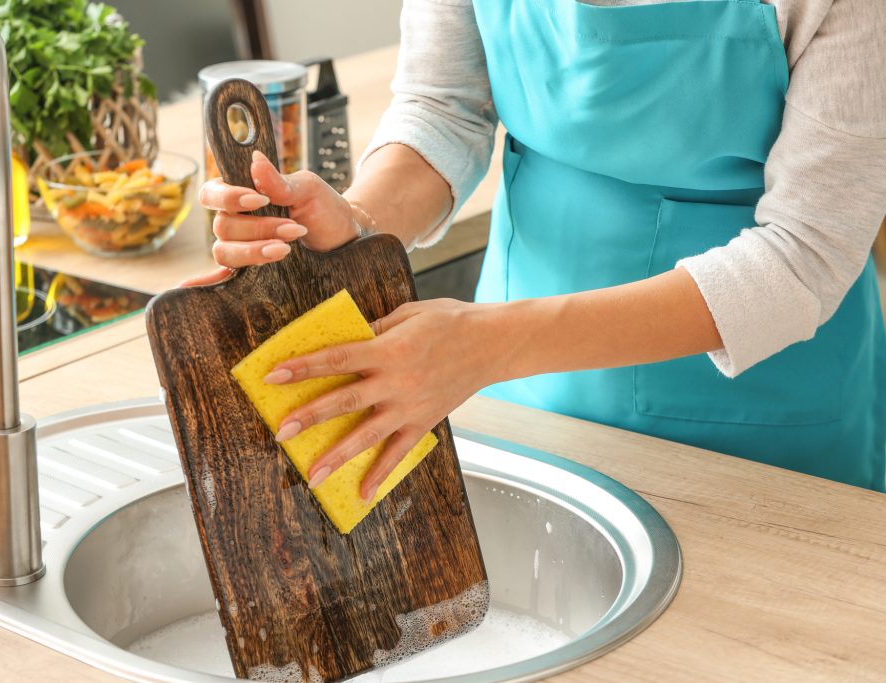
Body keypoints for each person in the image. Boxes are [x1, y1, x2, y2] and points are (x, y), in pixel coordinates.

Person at [191, 0, 886, 499]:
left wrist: (494, 343)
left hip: (766, 427)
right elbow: (445, 104)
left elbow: (805, 253)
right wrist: (359, 226)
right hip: (515, 392)